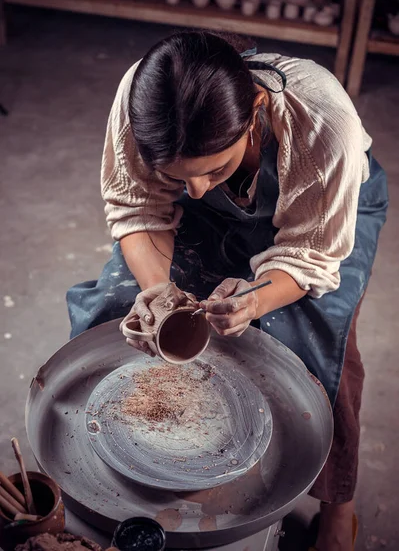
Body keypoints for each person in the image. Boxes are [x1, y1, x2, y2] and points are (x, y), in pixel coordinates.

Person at [67, 32, 388, 551]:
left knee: (315, 346)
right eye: (180, 176)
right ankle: (144, 467)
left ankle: (338, 505)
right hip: (208, 218)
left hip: (321, 211)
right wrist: (160, 294)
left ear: (256, 109)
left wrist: (257, 299)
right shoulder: (141, 103)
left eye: (214, 168)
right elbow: (139, 211)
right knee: (114, 306)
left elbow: (311, 254)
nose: (197, 189)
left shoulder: (323, 118)